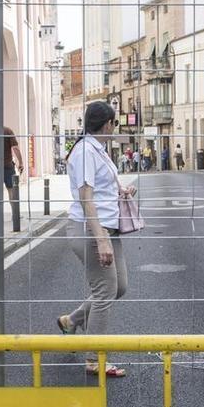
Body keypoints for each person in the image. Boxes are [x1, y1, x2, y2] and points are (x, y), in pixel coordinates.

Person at [56, 101, 136, 377]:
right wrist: (100, 239)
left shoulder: (97, 150)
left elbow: (99, 190)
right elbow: (86, 197)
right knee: (104, 292)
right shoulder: (85, 151)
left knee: (119, 286)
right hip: (92, 230)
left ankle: (72, 320)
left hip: (107, 228)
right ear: (107, 124)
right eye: (113, 123)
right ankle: (94, 359)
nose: (115, 128)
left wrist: (121, 191)